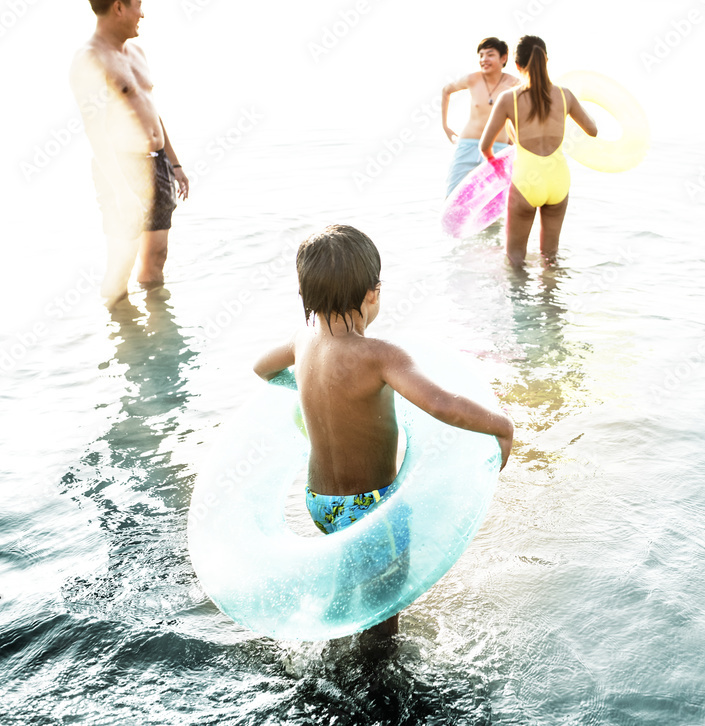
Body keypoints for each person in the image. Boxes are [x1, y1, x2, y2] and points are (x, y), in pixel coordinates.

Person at [253, 224, 514, 637]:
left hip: (319, 502)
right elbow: (442, 404)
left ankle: (330, 641)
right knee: (383, 608)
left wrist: (304, 392)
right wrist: (502, 426)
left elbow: (261, 367)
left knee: (348, 569)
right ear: (373, 292)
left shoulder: (302, 341)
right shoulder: (379, 356)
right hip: (371, 506)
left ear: (305, 294)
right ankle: (373, 680)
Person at [70, 0, 190, 308]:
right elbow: (95, 131)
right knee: (121, 266)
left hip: (158, 163)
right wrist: (123, 192)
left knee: (156, 258)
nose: (143, 13)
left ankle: (155, 346)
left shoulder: (136, 52)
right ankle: (123, 341)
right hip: (122, 170)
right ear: (118, 7)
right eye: (138, 5)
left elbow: (150, 111)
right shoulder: (90, 59)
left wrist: (174, 162)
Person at [480, 36, 598, 267]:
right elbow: (592, 130)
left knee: (515, 258)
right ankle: (551, 302)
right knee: (550, 258)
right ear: (546, 61)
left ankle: (520, 303)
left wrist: (498, 169)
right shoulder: (565, 95)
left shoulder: (509, 98)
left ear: (517, 65)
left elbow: (485, 145)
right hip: (558, 180)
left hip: (525, 181)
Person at [441, 37, 519, 197]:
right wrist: (446, 127)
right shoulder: (472, 79)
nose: (484, 59)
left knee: (494, 199)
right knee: (453, 194)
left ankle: (496, 224)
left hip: (498, 148)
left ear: (503, 58)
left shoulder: (514, 83)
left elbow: (520, 113)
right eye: (481, 55)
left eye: (490, 55)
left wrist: (514, 138)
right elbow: (446, 90)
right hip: (468, 144)